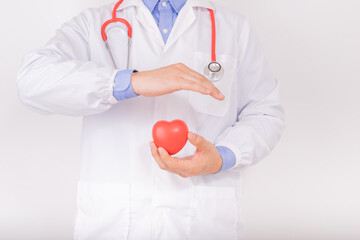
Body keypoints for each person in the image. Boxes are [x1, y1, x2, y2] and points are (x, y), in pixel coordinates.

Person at [17, 0, 285, 239]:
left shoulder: (234, 28)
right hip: (114, 221)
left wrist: (223, 157)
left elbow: (265, 113)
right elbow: (32, 81)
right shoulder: (94, 23)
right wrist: (132, 81)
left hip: (203, 221)